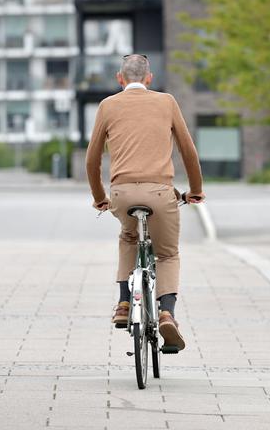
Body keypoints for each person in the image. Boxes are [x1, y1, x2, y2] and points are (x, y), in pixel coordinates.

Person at [86, 53, 205, 351]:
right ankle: (167, 314)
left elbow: (92, 159)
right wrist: (195, 190)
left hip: (122, 194)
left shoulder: (107, 105)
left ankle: (124, 303)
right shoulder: (167, 102)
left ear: (120, 78)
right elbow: (188, 151)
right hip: (160, 193)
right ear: (149, 78)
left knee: (128, 237)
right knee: (167, 254)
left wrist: (100, 198)